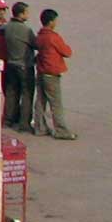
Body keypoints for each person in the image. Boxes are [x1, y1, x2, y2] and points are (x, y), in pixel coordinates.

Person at [35, 8, 75, 139]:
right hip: (51, 74)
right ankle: (61, 130)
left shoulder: (40, 36)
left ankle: (39, 127)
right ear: (51, 22)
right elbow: (67, 52)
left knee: (40, 101)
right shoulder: (53, 37)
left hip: (41, 72)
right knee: (56, 104)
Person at [3, 1, 37, 131]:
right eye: (26, 12)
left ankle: (8, 120)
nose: (28, 14)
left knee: (11, 93)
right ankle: (24, 123)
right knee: (27, 94)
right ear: (21, 14)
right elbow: (36, 44)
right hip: (24, 65)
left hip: (10, 63)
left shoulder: (8, 27)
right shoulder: (25, 30)